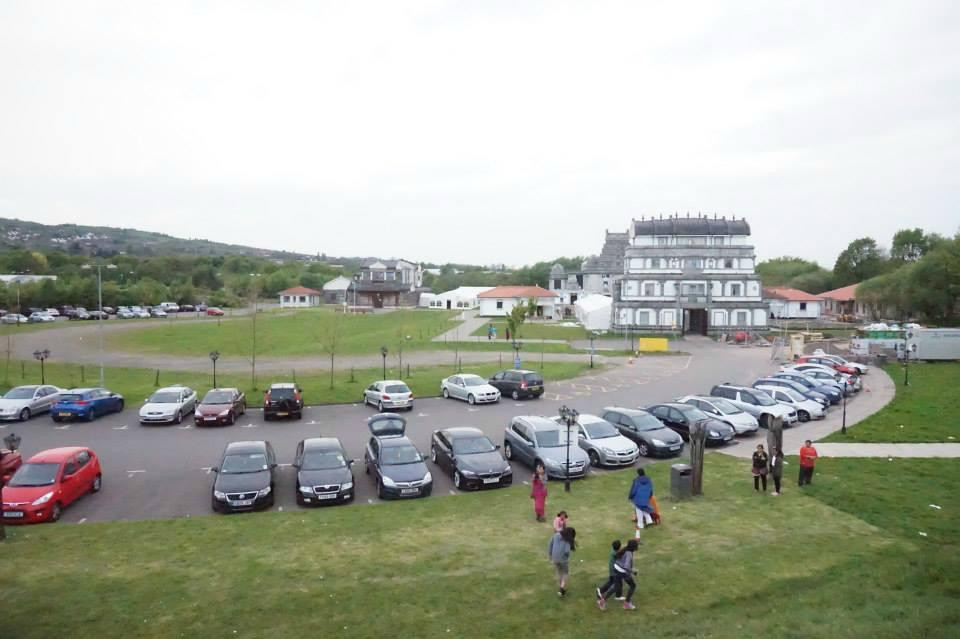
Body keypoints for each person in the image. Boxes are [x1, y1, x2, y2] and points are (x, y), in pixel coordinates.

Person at [598, 539, 638, 610]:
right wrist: (633, 571)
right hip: (622, 571)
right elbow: (626, 566)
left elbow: (617, 557)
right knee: (633, 586)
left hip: (616, 568)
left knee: (616, 587)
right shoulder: (629, 554)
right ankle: (627, 604)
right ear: (634, 547)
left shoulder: (625, 549)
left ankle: (602, 601)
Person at [547, 526, 576, 597]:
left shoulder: (556, 535)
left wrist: (550, 555)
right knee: (565, 573)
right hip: (563, 560)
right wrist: (568, 555)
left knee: (559, 572)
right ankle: (562, 588)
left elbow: (550, 545)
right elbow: (566, 551)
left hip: (554, 558)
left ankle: (560, 587)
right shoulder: (567, 540)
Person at [628, 468, 654, 540]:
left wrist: (630, 496)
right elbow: (651, 488)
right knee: (644, 508)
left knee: (639, 509)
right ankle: (649, 521)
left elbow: (634, 490)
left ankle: (640, 524)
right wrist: (649, 495)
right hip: (646, 496)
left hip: (638, 497)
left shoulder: (636, 480)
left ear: (638, 473)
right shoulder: (649, 479)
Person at [595, 540, 623, 607]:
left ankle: (617, 595)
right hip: (614, 570)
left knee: (612, 581)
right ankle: (601, 591)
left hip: (612, 569)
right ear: (619, 547)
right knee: (617, 583)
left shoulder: (613, 551)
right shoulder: (615, 553)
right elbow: (620, 557)